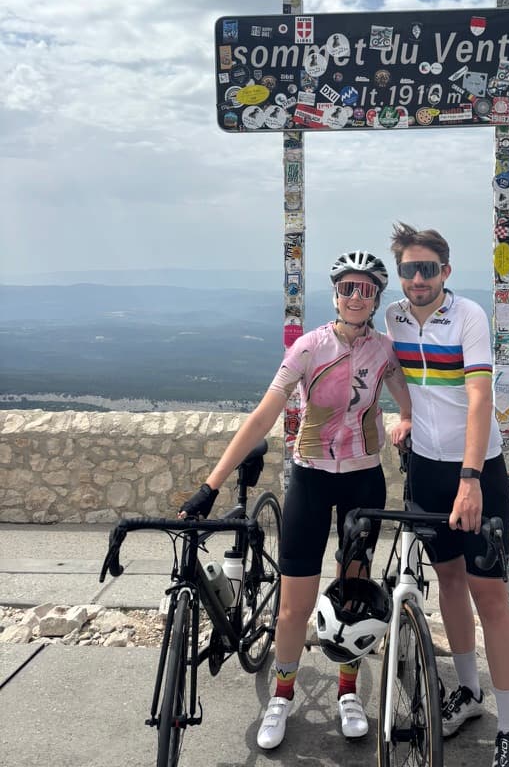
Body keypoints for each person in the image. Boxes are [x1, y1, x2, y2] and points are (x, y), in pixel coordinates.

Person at [180, 250, 412, 750]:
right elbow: (264, 415)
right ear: (335, 293)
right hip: (310, 479)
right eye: (348, 287)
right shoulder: (309, 348)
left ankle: (349, 691)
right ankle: (281, 696)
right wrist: (211, 483)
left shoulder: (385, 350)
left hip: (363, 481)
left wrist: (407, 419)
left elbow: (407, 395)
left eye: (366, 288)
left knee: (353, 597)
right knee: (293, 607)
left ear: (376, 297)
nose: (356, 296)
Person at [385, 224, 509, 767]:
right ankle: (468, 692)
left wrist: (471, 480)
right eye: (408, 270)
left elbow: (478, 395)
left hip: (477, 472)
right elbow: (394, 372)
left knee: (490, 595)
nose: (418, 279)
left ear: (446, 271)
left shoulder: (468, 315)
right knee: (447, 579)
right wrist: (402, 414)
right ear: (400, 275)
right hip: (424, 469)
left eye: (428, 269)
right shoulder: (393, 316)